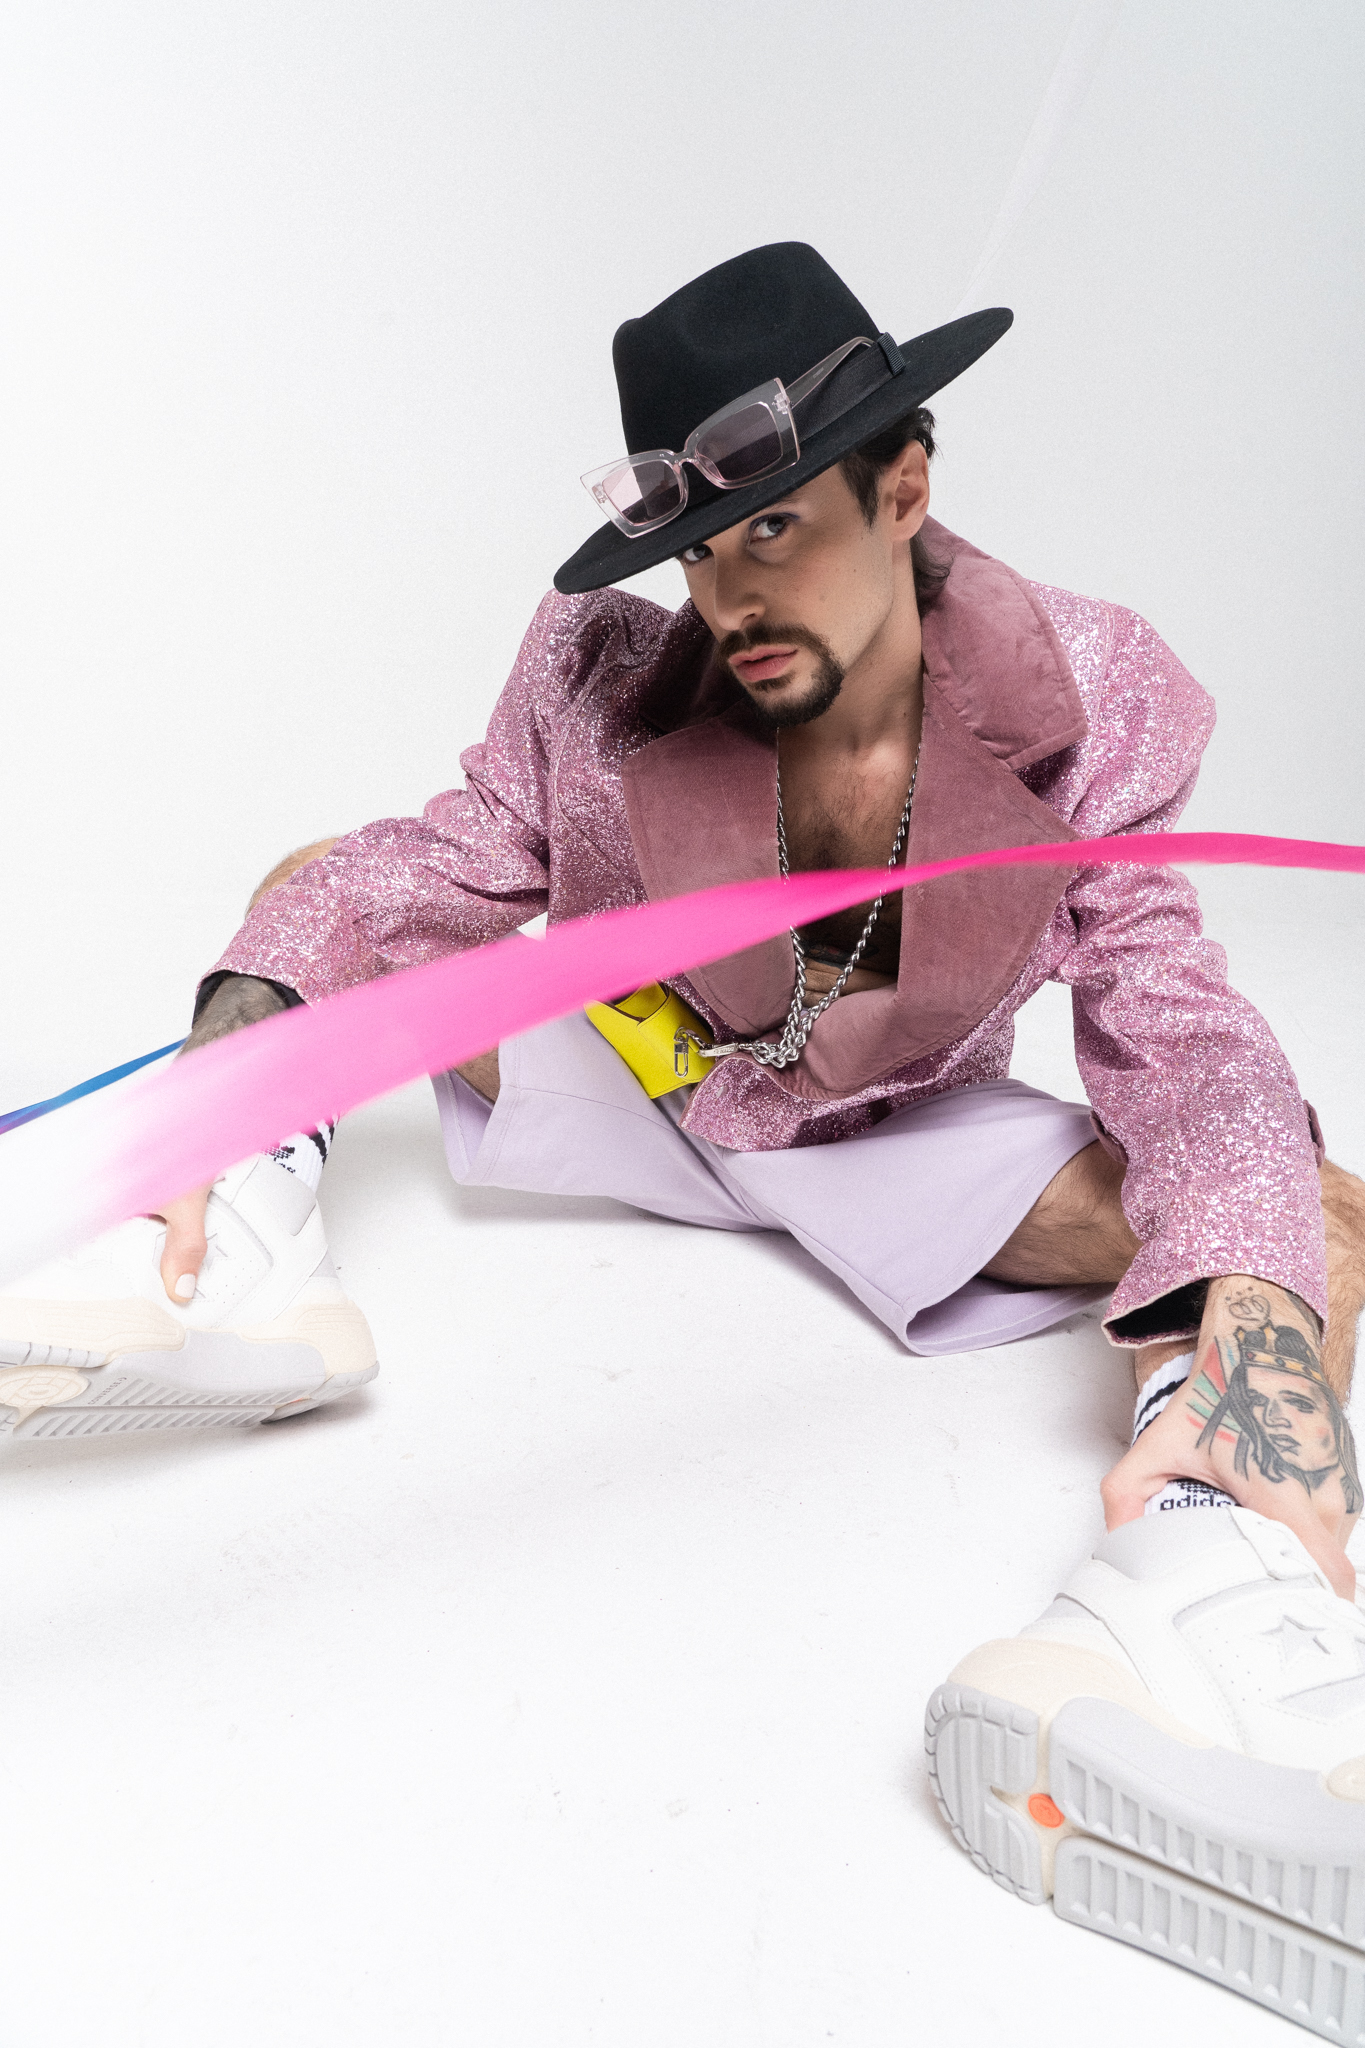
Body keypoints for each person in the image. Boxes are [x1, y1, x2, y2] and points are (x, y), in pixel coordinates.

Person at [3, 243, 1363, 2017]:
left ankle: (1189, 1579)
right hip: (639, 1074)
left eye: (773, 527)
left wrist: (1256, 1330)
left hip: (892, 1141)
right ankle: (234, 1235)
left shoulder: (1097, 695)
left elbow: (1169, 1027)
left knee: (1306, 1217)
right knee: (312, 894)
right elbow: (423, 875)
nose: (730, 594)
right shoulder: (603, 677)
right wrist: (224, 1074)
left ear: (903, 487)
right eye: (700, 549)